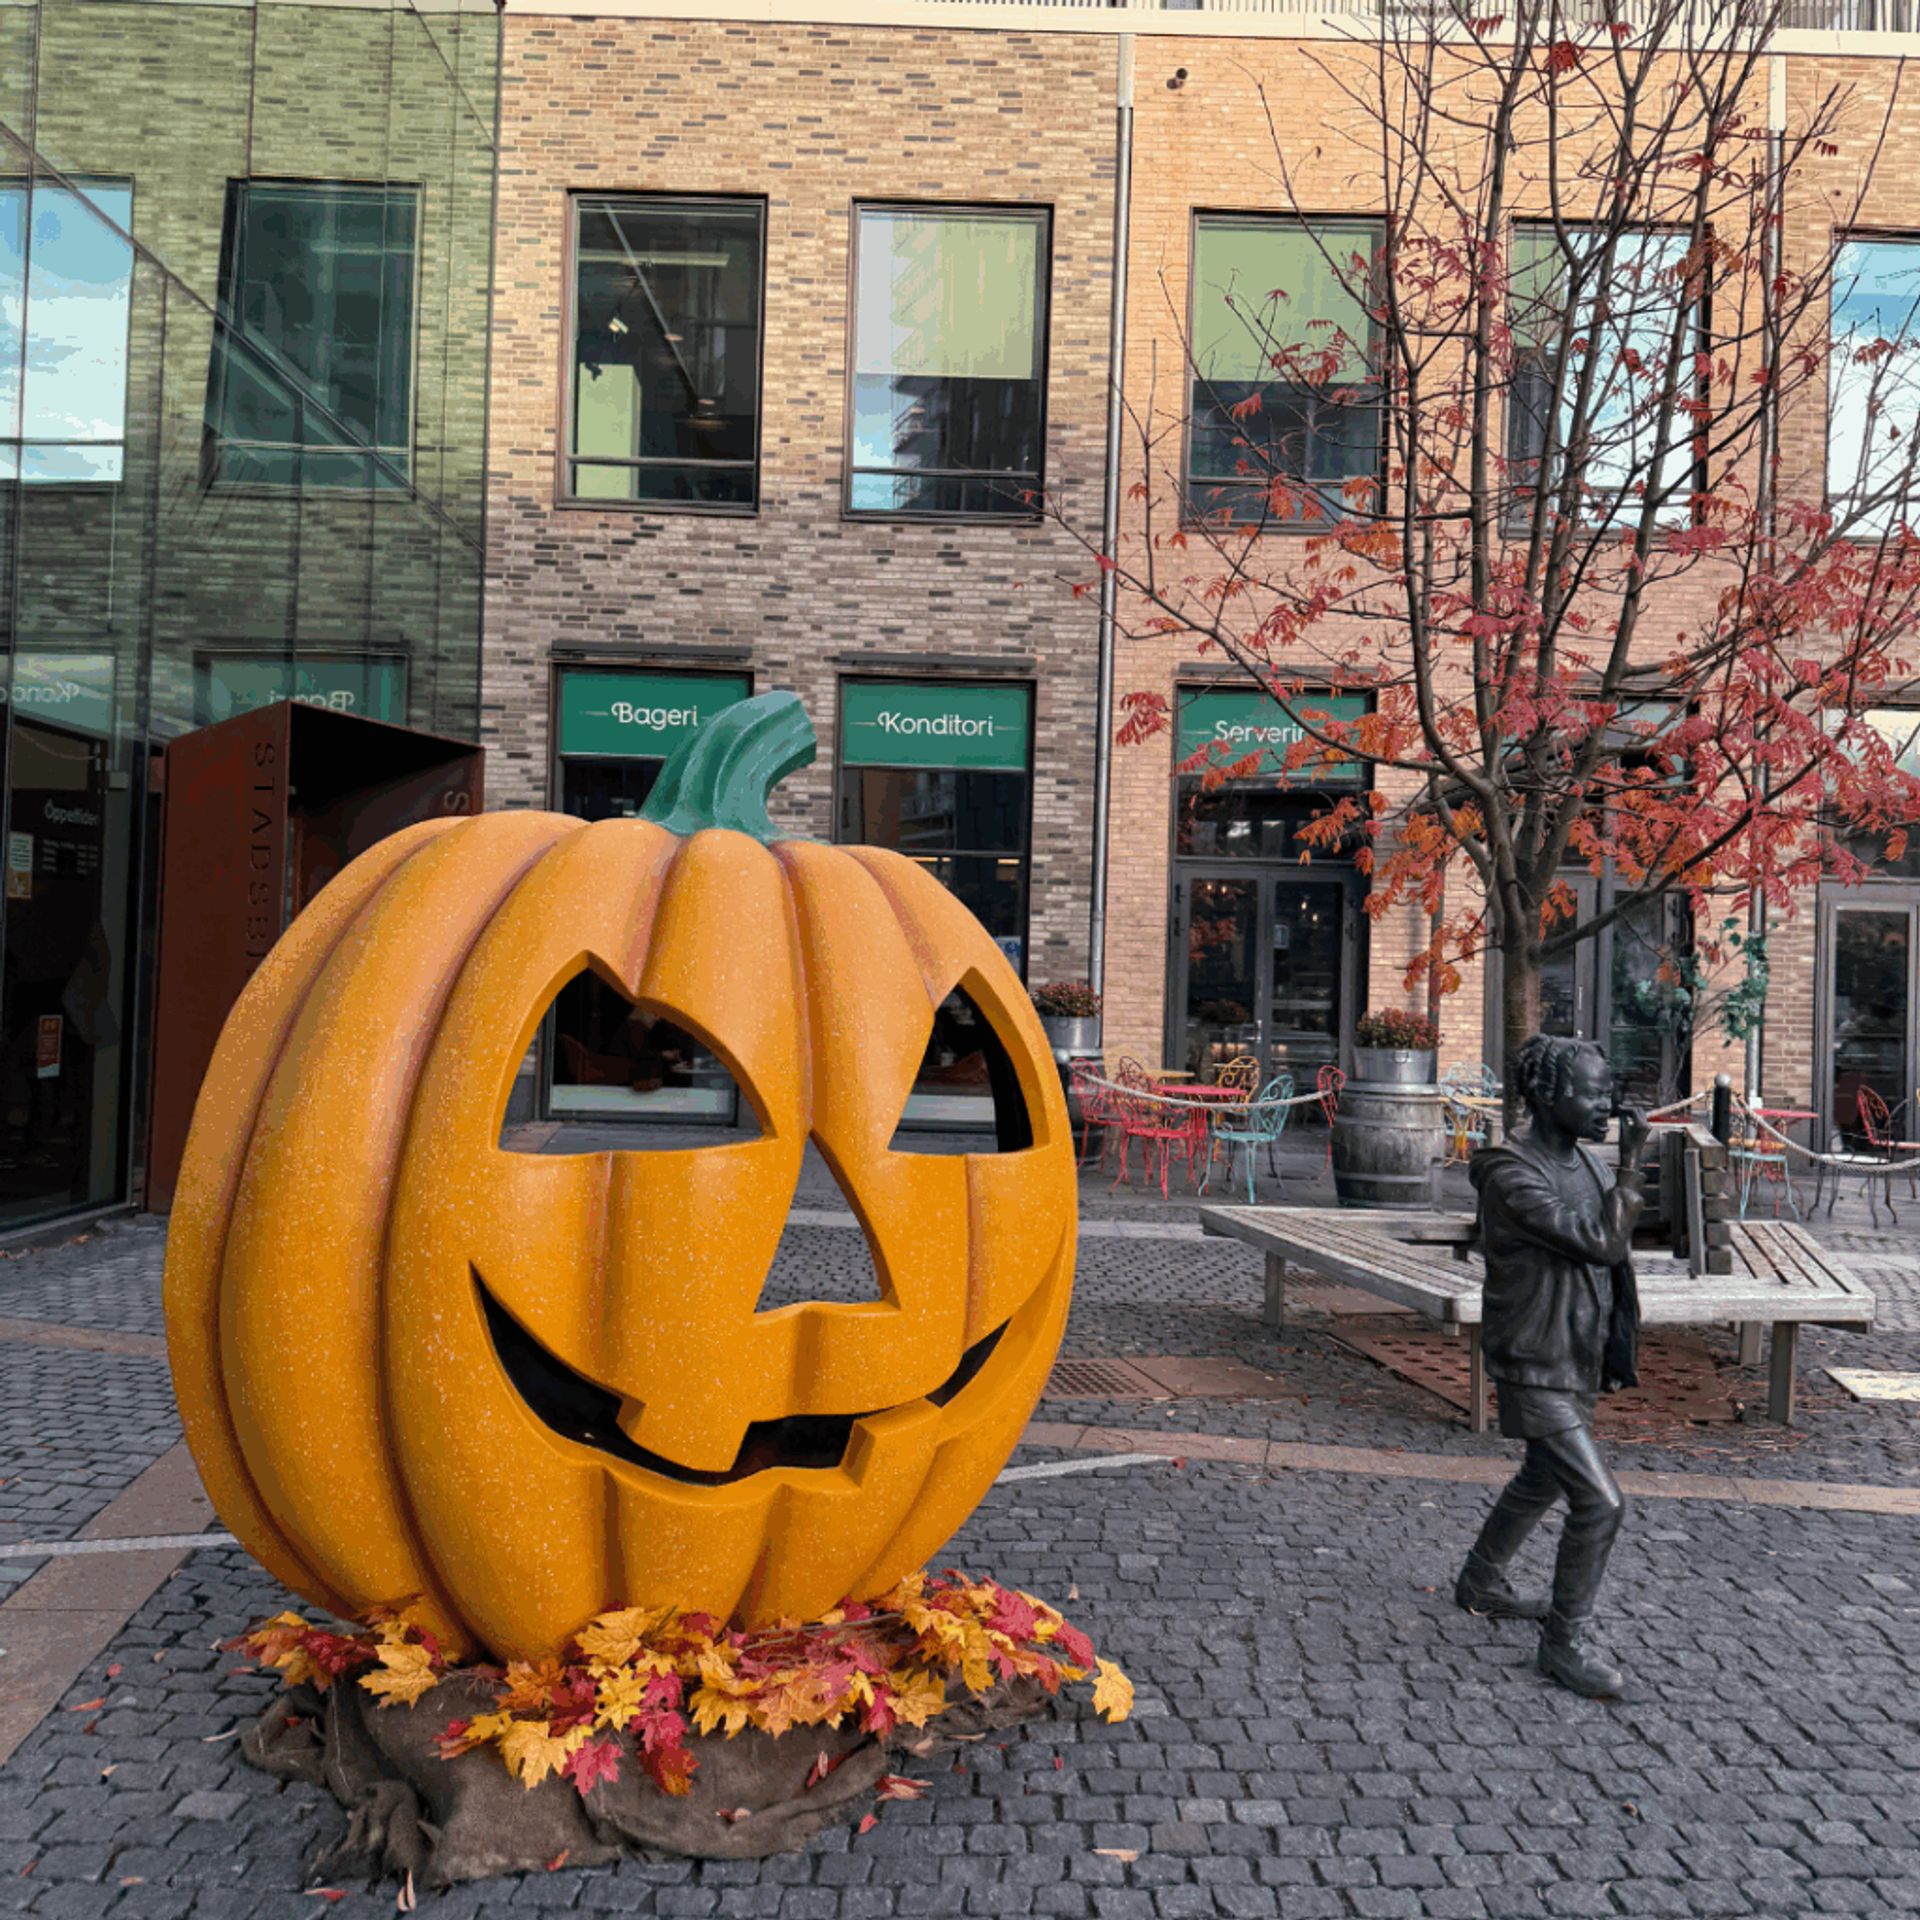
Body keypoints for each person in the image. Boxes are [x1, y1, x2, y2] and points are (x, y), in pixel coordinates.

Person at [1455, 1033, 1650, 1699]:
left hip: (1576, 1351)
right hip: (1534, 1353)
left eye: (1607, 1091)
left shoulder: (1583, 1163)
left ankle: (1482, 1578)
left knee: (1542, 1474)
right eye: (1590, 1093)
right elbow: (1600, 1242)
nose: (1606, 1105)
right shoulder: (1512, 1172)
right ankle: (1563, 1644)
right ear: (1545, 1096)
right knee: (1600, 1503)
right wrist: (1631, 1170)